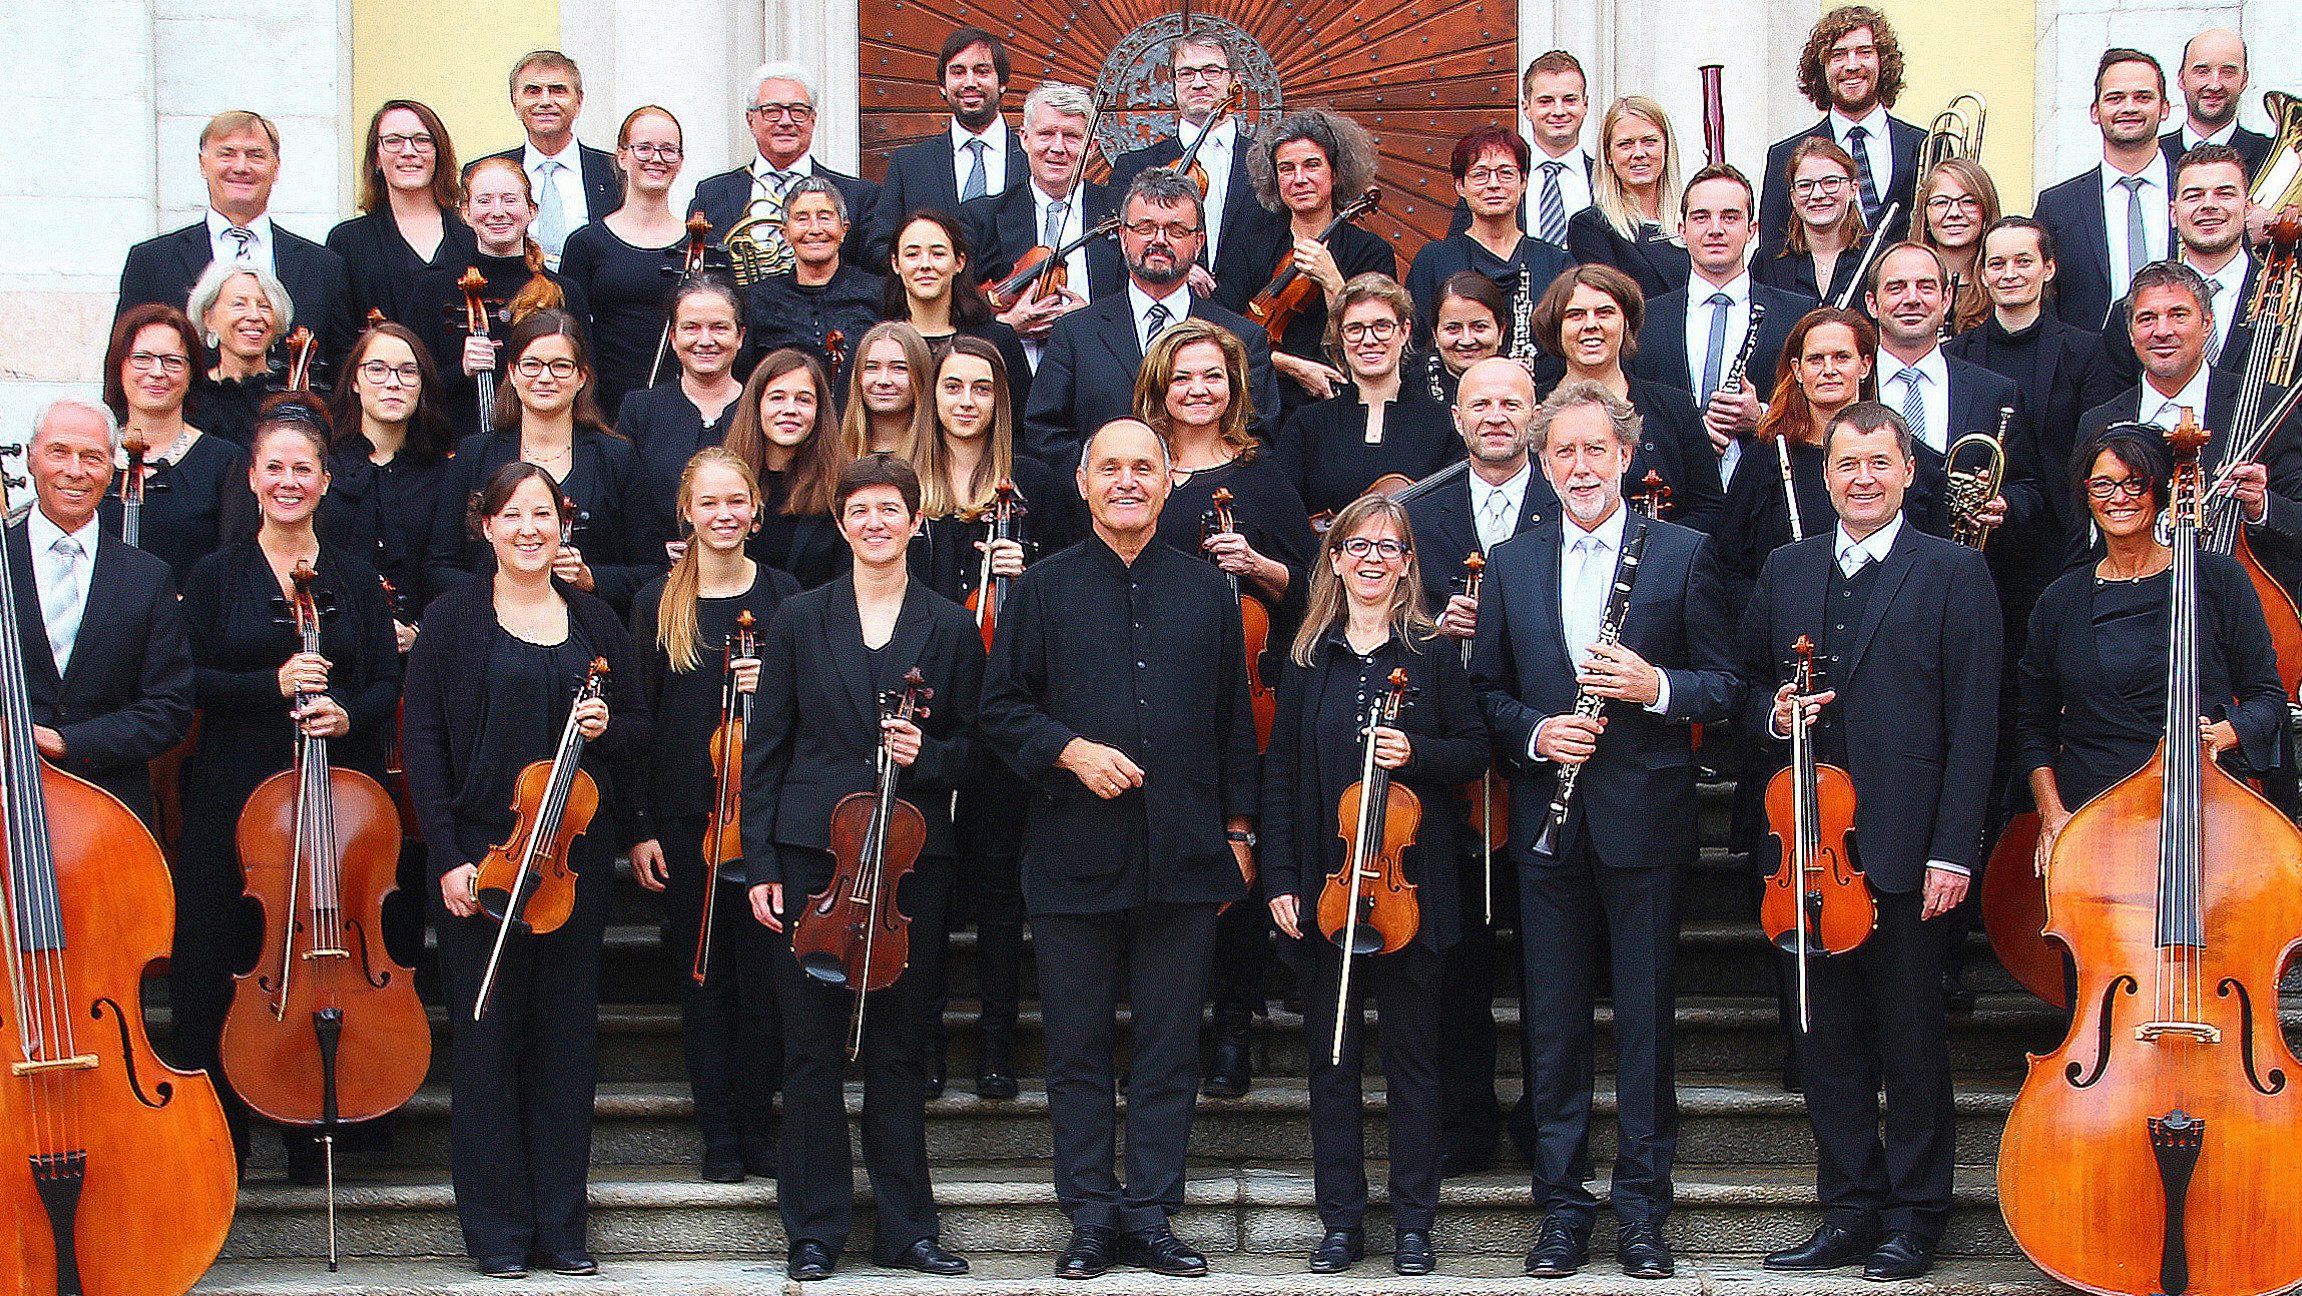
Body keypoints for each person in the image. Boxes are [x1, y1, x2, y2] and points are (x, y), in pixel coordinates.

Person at [978, 416, 1259, 1280]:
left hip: (1184, 851)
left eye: (1145, 467)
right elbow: (999, 708)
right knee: (1076, 1046)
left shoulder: (1209, 591)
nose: (1128, 480)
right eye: (1112, 467)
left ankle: (1151, 1212)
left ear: (1168, 482)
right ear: (1085, 482)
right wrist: (1069, 749)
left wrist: (1241, 835)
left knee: (1172, 1045)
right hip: (1073, 851)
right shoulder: (1043, 590)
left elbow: (1233, 727)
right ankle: (1091, 1214)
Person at [1471, 379, 1740, 1280]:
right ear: (1543, 467)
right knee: (1551, 1026)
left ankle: (1641, 1211)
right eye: (1563, 454)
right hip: (1549, 832)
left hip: (1646, 824)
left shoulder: (1685, 553)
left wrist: (1654, 688)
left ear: (1626, 457)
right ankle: (1561, 1208)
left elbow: (1727, 686)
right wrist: (1538, 732)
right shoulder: (1511, 561)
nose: (1580, 467)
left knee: (1645, 1027)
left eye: (1596, 450)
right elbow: (1486, 694)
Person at [1741, 402, 2000, 1283]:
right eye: (1846, 464)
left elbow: (1975, 726)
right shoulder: (1786, 567)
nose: (1862, 478)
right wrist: (1775, 713)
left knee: (1912, 1040)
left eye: (1879, 464)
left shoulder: (1954, 572)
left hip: (1903, 850)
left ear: (1906, 471)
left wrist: (1953, 851)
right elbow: (1745, 687)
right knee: (1826, 1038)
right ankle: (1849, 1208)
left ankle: (1916, 1215)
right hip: (1807, 856)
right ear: (1826, 475)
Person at [402, 461, 648, 1279]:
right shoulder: (451, 619)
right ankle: (499, 1234)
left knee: (565, 1047)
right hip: (482, 858)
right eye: (513, 515)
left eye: (543, 514)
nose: (529, 529)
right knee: (486, 1045)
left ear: (562, 524)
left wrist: (607, 726)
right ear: (488, 526)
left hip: (569, 864)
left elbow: (639, 732)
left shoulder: (595, 621)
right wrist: (447, 858)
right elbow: (424, 745)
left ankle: (560, 1229)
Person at [741, 454, 981, 1282]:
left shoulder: (949, 626)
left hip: (911, 866)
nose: (876, 523)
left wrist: (931, 756)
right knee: (809, 1050)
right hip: (813, 860)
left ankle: (908, 1229)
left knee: (900, 1050)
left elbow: (979, 751)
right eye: (861, 510)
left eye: (892, 509)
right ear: (841, 524)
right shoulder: (801, 618)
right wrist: (760, 858)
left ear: (917, 522)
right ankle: (814, 1229)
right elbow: (764, 750)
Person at [1260, 494, 1489, 1276]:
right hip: (1326, 892)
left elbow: (1473, 753)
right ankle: (1342, 1222)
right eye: (1357, 546)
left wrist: (1413, 752)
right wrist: (1282, 879)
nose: (1371, 560)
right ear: (1334, 559)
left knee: (1415, 1061)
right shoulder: (1307, 658)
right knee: (1331, 1059)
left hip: (1410, 891)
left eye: (1388, 549)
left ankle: (1415, 1222)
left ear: (1406, 565)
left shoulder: (1430, 657)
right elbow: (1283, 777)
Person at [173, 397, 400, 1169]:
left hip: (335, 795)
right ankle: (218, 1147)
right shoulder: (214, 576)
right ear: (252, 477)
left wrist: (344, 715)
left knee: (324, 956)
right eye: (275, 467)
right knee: (222, 959)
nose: (289, 480)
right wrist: (268, 685)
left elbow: (384, 680)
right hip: (236, 793)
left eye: (303, 467)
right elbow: (188, 680)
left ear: (326, 481)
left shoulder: (355, 578)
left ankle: (323, 1131)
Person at [1136, 319, 1313, 1096]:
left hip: (1247, 698)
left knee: (1236, 867)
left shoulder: (1261, 477)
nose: (1197, 390)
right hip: (1158, 696)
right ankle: (1164, 1030)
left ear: (1234, 387)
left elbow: (1318, 591)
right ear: (1159, 388)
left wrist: (1265, 568)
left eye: (1212, 375)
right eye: (1182, 377)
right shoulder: (1137, 470)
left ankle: (1234, 1028)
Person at [627, 447, 800, 1184]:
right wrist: (638, 825)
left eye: (737, 502)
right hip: (686, 821)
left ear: (755, 511)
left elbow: (813, 720)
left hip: (766, 822)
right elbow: (637, 719)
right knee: (704, 981)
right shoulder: (655, 602)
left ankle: (759, 1124)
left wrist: (773, 689)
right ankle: (718, 1134)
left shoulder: (789, 597)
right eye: (710, 503)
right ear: (687, 513)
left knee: (764, 981)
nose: (724, 515)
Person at [910, 338, 1074, 1098]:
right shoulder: (906, 489)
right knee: (934, 887)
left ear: (1001, 399)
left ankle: (997, 1043)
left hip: (1010, 714)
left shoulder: (1035, 485)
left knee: (1003, 889)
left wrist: (1030, 574)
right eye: (953, 386)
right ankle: (929, 1041)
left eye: (982, 387)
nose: (966, 400)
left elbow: (1075, 588)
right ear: (932, 395)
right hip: (932, 710)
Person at [1401, 356, 1548, 1177]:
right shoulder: (1417, 512)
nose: (1495, 416)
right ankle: (1464, 1118)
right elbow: (1376, 613)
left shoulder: (1567, 500)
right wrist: (1431, 619)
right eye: (1479, 403)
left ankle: (1539, 1115)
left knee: (1541, 954)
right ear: (1456, 418)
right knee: (1453, 953)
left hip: (1535, 758)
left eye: (1512, 403)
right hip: (1447, 762)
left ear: (1535, 414)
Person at [2022, 422, 2285, 877]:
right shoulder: (2059, 600)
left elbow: (2267, 697)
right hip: (2094, 817)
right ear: (2086, 495)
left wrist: (2226, 733)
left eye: (2134, 483)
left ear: (2160, 491)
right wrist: (2052, 816)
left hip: (2204, 809)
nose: (2117, 497)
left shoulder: (2219, 581)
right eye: (2102, 484)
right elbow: (2034, 728)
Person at [8, 399, 194, 830]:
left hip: (109, 815)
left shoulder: (148, 577)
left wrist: (67, 742)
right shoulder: (1, 559)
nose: (75, 470)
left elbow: (170, 708)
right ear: (32, 456)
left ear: (111, 469)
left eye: (91, 456)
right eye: (58, 452)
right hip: (7, 798)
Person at [2075, 260, 2302, 598]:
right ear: (2131, 333)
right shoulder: (2099, 422)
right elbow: (2081, 543)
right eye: (2147, 318)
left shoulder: (2268, 407)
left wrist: (2260, 506)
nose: (2162, 330)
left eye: (2178, 315)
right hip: (2128, 615)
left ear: (2207, 323)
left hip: (2242, 613)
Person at [1024, 169, 1280, 463]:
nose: (1159, 240)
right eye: (1145, 228)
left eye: (1176, 230)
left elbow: (1256, 437)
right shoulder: (1074, 333)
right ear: (1123, 236)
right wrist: (1101, 483)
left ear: (1198, 243)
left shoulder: (1244, 338)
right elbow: (1045, 431)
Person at [425, 310, 661, 611]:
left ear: (581, 377)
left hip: (588, 633)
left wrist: (590, 578)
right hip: (491, 633)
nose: (545, 377)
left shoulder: (617, 457)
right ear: (512, 372)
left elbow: (652, 570)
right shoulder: (474, 454)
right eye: (531, 365)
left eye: (561, 366)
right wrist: (501, 588)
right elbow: (439, 567)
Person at [116, 109, 357, 366]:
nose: (241, 167)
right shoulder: (152, 261)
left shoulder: (323, 266)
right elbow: (125, 360)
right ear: (203, 164)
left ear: (276, 167)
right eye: (227, 154)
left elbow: (340, 366)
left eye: (255, 155)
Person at [1945, 218, 2121, 559]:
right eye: (1997, 264)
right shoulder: (1954, 355)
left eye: (2023, 261)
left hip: (2062, 538)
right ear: (1982, 275)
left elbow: (2096, 447)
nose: (2009, 273)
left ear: (2049, 267)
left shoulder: (2086, 352)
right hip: (1975, 540)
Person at [1633, 165, 1814, 494]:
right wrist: (1690, 436)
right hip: (1675, 501)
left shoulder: (1798, 314)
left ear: (1752, 229)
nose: (1715, 229)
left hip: (1768, 500)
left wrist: (1763, 417)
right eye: (1701, 217)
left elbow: (1820, 409)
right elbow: (1632, 411)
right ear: (1681, 229)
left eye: (1730, 217)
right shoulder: (1644, 319)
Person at [1531, 264, 1726, 533]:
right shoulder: (1530, 409)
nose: (1591, 325)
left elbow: (1710, 509)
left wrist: (1658, 549)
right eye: (1575, 315)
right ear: (1556, 328)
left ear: (1626, 324)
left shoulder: (1674, 407)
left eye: (1605, 313)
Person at [1225, 109, 1397, 409]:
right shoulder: (1250, 244)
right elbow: (1224, 328)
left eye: (1312, 165)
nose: (1299, 179)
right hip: (1265, 398)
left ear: (1336, 172)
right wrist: (1291, 366)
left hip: (1341, 396)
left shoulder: (1370, 251)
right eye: (1287, 169)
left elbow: (1376, 336)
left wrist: (1332, 280)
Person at [407, 157, 588, 437]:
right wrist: (462, 370)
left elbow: (585, 383)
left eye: (509, 200)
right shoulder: (432, 290)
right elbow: (413, 388)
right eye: (484, 201)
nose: (497, 211)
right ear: (466, 213)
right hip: (457, 451)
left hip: (546, 446)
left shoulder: (564, 292)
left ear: (531, 211)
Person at [1273, 274, 1462, 523]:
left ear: (1404, 331)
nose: (1369, 340)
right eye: (1355, 329)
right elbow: (1283, 516)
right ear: (1340, 336)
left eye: (1382, 326)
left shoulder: (1441, 421)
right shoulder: (1307, 424)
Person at [960, 82, 1126, 354]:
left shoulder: (1122, 211)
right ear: (1024, 138)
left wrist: (1089, 320)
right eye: (1046, 133)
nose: (1057, 147)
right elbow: (959, 313)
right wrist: (1006, 326)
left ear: (1092, 146)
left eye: (1071, 136)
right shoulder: (981, 217)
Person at [1107, 31, 1274, 296]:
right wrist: (1179, 268)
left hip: (1253, 317)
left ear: (1235, 81)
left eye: (1211, 71)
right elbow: (1119, 248)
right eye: (1186, 73)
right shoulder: (1132, 167)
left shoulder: (1269, 163)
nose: (1198, 83)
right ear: (1173, 84)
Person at [99, 303, 252, 588]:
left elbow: (233, 567)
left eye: (172, 361)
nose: (157, 372)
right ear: (119, 365)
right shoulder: (95, 458)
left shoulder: (226, 462)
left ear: (191, 373)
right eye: (142, 358)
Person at [1756, 7, 1924, 262]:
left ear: (1883, 61)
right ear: (1821, 68)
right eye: (1838, 55)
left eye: (1864, 52)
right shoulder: (1784, 155)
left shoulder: (1924, 145)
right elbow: (1774, 255)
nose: (1852, 65)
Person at [321, 320, 457, 633]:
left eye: (408, 371)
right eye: (377, 369)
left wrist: (420, 632)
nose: (393, 383)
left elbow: (447, 573)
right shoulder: (324, 465)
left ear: (423, 384)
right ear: (355, 381)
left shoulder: (444, 474)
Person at [559, 106, 696, 414]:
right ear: (621, 156)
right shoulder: (586, 243)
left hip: (682, 401)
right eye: (644, 148)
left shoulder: (699, 245)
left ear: (681, 160)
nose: (656, 158)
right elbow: (570, 331)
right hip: (602, 405)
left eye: (668, 150)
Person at [689, 62, 879, 270]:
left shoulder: (860, 197)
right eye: (772, 111)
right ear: (751, 119)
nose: (786, 121)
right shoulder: (711, 194)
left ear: (813, 120)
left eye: (798, 111)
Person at [2035, 48, 2175, 331]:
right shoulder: (2057, 206)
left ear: (2165, 108)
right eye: (2115, 98)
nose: (2129, 108)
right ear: (2095, 112)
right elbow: (2043, 302)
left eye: (2143, 97)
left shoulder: (2195, 193)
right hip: (2089, 369)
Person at [2099, 144, 2258, 387]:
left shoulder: (2290, 299)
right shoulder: (2130, 310)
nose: (2208, 205)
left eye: (2224, 193)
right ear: (2173, 213)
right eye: (2194, 195)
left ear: (2247, 209)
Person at [1406, 126, 1572, 350]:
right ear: (1460, 186)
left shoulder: (1556, 262)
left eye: (1506, 173)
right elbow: (1417, 344)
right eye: (1480, 174)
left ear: (1523, 182)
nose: (1494, 184)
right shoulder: (1433, 260)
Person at [872, 27, 1024, 261]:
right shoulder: (909, 165)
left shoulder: (1033, 158)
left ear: (1002, 83)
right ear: (942, 85)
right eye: (958, 72)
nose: (970, 82)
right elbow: (879, 248)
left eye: (982, 71)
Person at [1866, 243, 2025, 464]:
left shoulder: (1995, 393)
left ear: (1946, 299)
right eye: (1896, 288)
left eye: (1926, 287)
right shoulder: (1849, 386)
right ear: (1872, 303)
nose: (1912, 299)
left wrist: (2005, 499)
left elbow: (2025, 485)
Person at [327, 100, 477, 327]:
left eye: (422, 140)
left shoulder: (472, 234)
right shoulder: (348, 241)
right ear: (376, 157)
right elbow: (341, 338)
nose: (408, 152)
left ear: (439, 154)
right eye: (393, 141)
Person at [880, 210, 1034, 410]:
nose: (925, 264)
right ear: (896, 263)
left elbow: (1022, 426)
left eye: (938, 253)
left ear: (959, 262)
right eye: (912, 254)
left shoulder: (998, 340)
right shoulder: (879, 344)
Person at [480, 51, 622, 266]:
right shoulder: (486, 174)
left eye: (558, 90)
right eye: (533, 91)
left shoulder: (616, 172)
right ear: (515, 102)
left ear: (579, 101)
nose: (545, 101)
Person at [725, 348, 849, 589]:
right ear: (757, 405)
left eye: (804, 399)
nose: (790, 409)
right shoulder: (726, 481)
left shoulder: (841, 487)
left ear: (819, 410)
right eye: (777, 397)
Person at [1446, 50, 1596, 245]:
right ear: (1526, 108)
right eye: (1546, 101)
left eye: (1569, 100)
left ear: (1585, 105)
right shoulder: (1496, 180)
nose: (1559, 111)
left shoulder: (1605, 180)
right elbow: (1461, 249)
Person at [746, 177, 886, 375]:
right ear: (785, 234)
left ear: (844, 229)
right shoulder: (758, 299)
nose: (815, 229)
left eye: (825, 217)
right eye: (802, 219)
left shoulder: (878, 292)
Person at [1566, 98, 1692, 302]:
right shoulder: (1592, 227)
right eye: (1626, 144)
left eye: (1650, 141)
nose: (1639, 153)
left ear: (1666, 148)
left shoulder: (1694, 218)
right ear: (1608, 154)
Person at [186, 257, 294, 449]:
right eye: (239, 304)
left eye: (264, 306)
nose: (254, 315)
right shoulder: (191, 397)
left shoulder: (293, 390)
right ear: (208, 318)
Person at [1753, 139, 1867, 305]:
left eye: (1830, 182)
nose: (1818, 194)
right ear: (1793, 196)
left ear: (1853, 190)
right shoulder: (1768, 261)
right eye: (1805, 185)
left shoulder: (1880, 257)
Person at [2162, 28, 2271, 177]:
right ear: (2181, 79)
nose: (2214, 85)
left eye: (2227, 72)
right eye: (2202, 71)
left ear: (2244, 80)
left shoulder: (2271, 157)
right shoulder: (2153, 155)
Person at [1911, 160, 2000, 336]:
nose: (1954, 213)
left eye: (1968, 202)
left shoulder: (2003, 284)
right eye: (1941, 203)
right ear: (1925, 214)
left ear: (1986, 211)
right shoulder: (1903, 287)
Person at [837, 321, 936, 460]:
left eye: (899, 368)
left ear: (920, 375)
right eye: (871, 367)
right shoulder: (833, 456)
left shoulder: (941, 456)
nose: (883, 380)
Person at [1416, 271, 1508, 407]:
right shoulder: (1411, 392)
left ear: (1501, 332)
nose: (1467, 340)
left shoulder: (1522, 389)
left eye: (1479, 327)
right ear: (1435, 334)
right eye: (1453, 328)